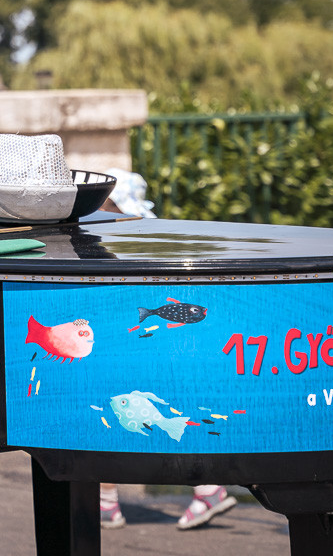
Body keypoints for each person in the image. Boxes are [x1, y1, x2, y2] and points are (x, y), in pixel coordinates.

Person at [99, 168, 237, 531]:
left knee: (124, 407)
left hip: (141, 343)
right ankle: (206, 489)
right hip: (152, 342)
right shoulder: (142, 238)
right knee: (146, 409)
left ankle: (107, 501)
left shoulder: (117, 243)